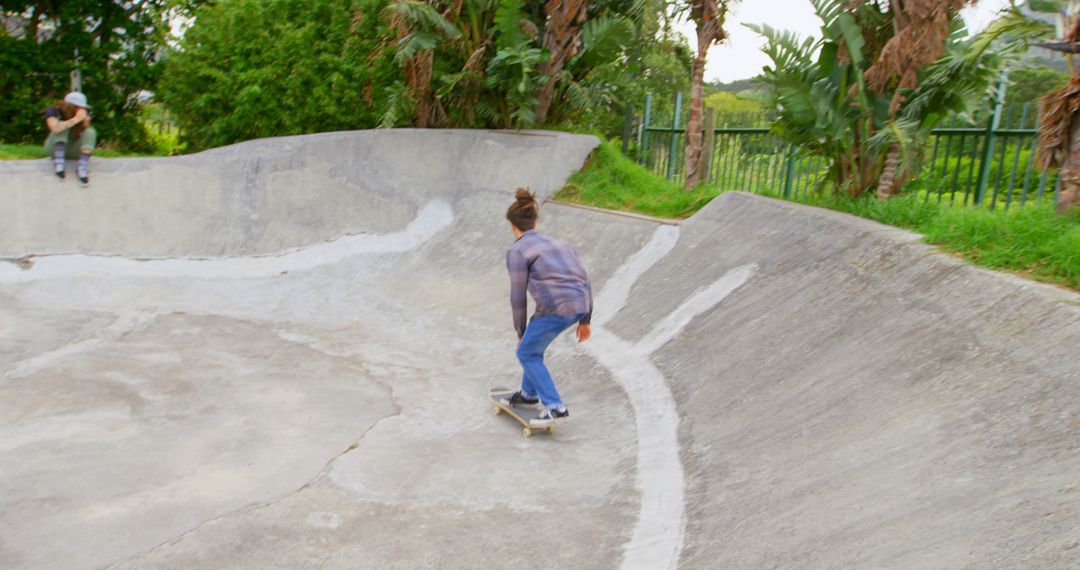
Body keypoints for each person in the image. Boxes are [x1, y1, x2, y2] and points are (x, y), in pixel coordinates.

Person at [503, 188, 593, 426]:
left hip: (555, 308)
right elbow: (585, 279)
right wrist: (586, 320)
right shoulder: (562, 244)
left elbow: (517, 298)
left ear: (513, 226)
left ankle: (554, 406)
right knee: (535, 344)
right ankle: (528, 394)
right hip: (580, 303)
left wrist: (520, 333)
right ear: (535, 222)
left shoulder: (517, 250)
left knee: (526, 351)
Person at [44, 92, 96, 185]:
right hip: (54, 148)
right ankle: (59, 162)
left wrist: (85, 122)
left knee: (91, 131)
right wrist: (75, 119)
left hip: (73, 148)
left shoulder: (83, 114)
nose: (81, 110)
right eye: (78, 107)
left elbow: (86, 135)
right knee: (62, 126)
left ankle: (82, 167)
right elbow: (55, 128)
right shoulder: (54, 110)